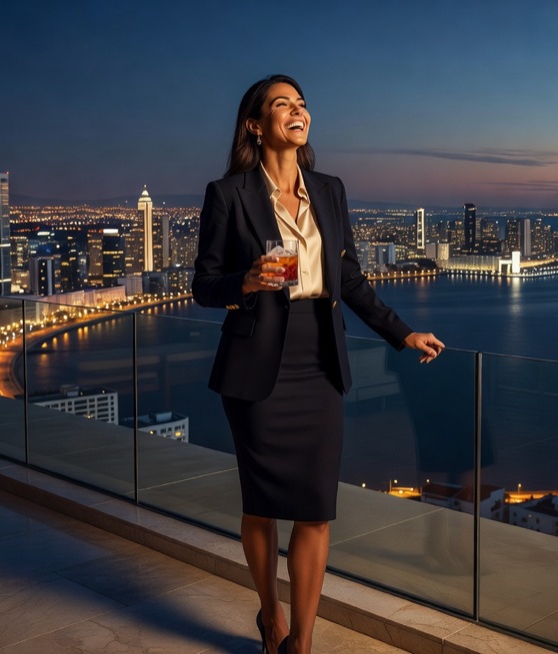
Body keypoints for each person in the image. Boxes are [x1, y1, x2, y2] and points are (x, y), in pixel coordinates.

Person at [192, 74, 444, 654]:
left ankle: (301, 644)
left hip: (318, 359)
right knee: (261, 505)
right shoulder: (228, 193)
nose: (297, 111)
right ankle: (272, 617)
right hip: (256, 362)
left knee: (316, 510)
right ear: (256, 125)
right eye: (282, 104)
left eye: (302, 104)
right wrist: (244, 281)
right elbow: (204, 285)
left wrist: (401, 332)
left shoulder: (329, 189)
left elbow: (348, 278)